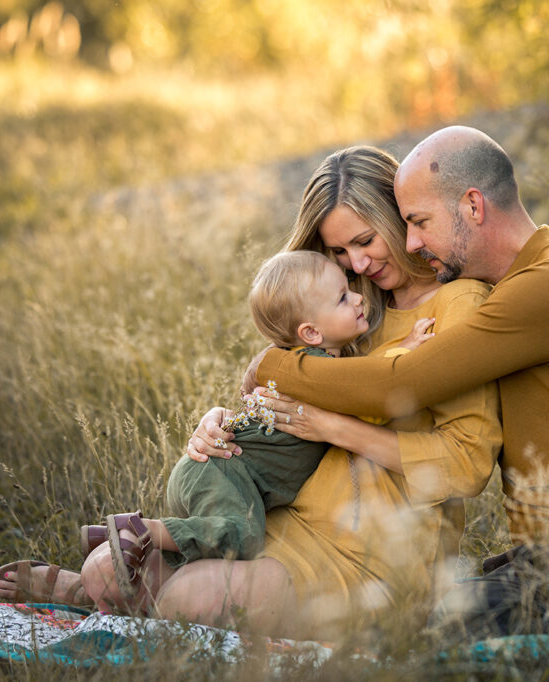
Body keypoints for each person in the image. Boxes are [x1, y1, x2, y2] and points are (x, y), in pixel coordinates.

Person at [232, 126, 549, 637]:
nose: (412, 242)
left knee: (425, 646)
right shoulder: (514, 284)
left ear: (473, 206)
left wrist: (273, 366)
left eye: (419, 222)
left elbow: (409, 379)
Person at [71, 145, 501, 637]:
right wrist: (218, 421)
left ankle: (94, 599)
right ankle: (94, 591)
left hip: (371, 560)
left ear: (401, 213)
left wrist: (335, 427)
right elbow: (277, 391)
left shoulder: (457, 305)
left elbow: (465, 467)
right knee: (105, 567)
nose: (358, 264)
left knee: (190, 598)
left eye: (365, 240)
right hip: (282, 526)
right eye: (340, 253)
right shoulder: (352, 310)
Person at [78, 250, 436, 607]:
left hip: (214, 471)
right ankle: (141, 530)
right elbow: (367, 397)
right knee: (243, 538)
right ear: (311, 332)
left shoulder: (303, 365)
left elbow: (359, 380)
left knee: (213, 557)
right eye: (343, 297)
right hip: (224, 472)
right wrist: (404, 353)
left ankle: (116, 562)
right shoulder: (315, 373)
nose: (358, 298)